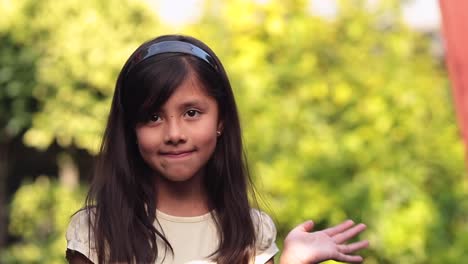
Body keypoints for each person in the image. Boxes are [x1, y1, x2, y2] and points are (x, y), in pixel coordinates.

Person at [65, 34, 369, 264]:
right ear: (131, 129)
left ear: (221, 119)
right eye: (153, 117)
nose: (174, 133)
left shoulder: (251, 231)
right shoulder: (96, 231)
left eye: (192, 113)